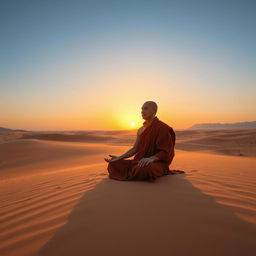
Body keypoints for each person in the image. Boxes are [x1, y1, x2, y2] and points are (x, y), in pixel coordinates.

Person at [104, 101, 184, 182]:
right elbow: (135, 149)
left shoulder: (163, 128)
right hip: (140, 161)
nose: (142, 111)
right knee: (113, 164)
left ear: (154, 110)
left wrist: (151, 158)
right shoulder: (140, 130)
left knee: (145, 169)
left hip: (156, 163)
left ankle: (138, 172)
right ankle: (134, 171)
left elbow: (166, 151)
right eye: (141, 109)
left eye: (145, 108)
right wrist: (119, 158)